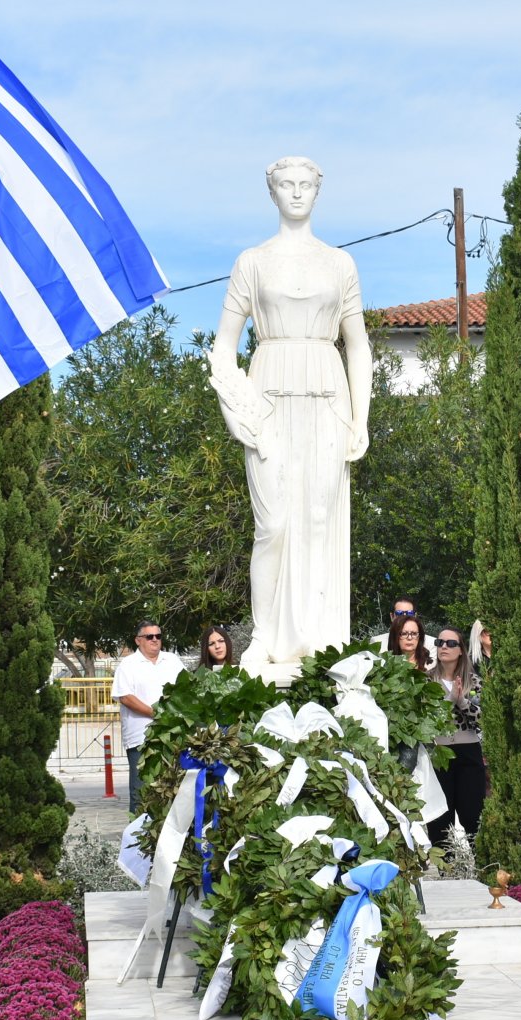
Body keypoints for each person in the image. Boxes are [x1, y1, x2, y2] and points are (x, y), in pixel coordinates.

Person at [207, 156, 369, 671]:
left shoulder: (340, 264)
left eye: (305, 185)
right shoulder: (251, 262)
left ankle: (320, 639)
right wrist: (232, 408)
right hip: (268, 400)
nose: (296, 192)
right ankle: (266, 637)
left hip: (327, 399)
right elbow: (223, 347)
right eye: (286, 184)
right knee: (273, 522)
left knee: (320, 519)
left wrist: (361, 418)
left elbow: (358, 345)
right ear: (271, 192)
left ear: (317, 192)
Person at [111, 620, 183, 816]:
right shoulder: (128, 665)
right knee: (141, 793)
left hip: (171, 738)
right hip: (141, 740)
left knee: (172, 791)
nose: (155, 640)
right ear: (138, 640)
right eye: (149, 636)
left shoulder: (172, 661)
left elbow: (186, 689)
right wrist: (156, 713)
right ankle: (137, 834)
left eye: (158, 636)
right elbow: (125, 697)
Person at [427, 628, 484, 849]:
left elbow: (484, 720)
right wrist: (449, 701)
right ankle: (445, 865)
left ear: (461, 650)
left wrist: (463, 703)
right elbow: (427, 721)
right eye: (440, 642)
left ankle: (481, 863)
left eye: (450, 643)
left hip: (469, 752)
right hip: (438, 754)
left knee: (473, 815)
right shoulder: (427, 681)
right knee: (440, 819)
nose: (444, 647)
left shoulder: (474, 681)